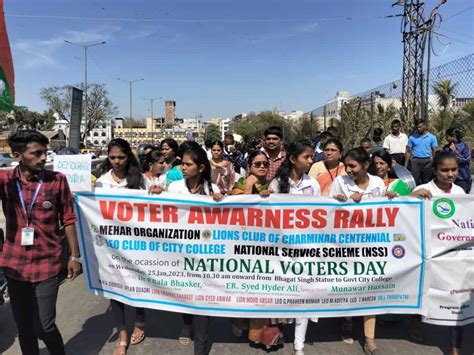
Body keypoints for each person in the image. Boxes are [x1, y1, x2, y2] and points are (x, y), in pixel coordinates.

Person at [0, 129, 81, 355]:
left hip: (48, 265)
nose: (44, 158)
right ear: (17, 156)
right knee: (24, 328)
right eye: (36, 153)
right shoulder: (5, 181)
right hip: (14, 266)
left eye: (45, 152)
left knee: (43, 326)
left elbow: (68, 218)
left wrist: (74, 256)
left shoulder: (56, 181)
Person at [151, 142, 221, 355]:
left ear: (200, 168)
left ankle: (200, 347)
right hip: (180, 252)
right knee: (185, 293)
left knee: (202, 301)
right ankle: (187, 323)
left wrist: (220, 201)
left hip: (204, 253)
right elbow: (160, 210)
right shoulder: (174, 188)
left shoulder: (212, 189)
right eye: (182, 163)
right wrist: (154, 193)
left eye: (188, 164)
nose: (183, 168)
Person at [330, 147, 386, 354]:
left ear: (366, 165)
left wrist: (391, 197)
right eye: (346, 166)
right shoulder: (340, 182)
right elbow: (328, 208)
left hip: (372, 245)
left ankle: (369, 338)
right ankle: (346, 320)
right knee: (348, 286)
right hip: (345, 244)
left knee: (370, 287)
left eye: (353, 166)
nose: (349, 170)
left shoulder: (378, 183)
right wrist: (340, 202)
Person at [268, 140, 320, 355]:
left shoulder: (313, 184)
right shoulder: (276, 184)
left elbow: (321, 212)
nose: (311, 160)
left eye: (311, 157)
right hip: (280, 250)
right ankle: (275, 329)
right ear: (292, 159)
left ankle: (299, 344)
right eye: (306, 157)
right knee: (281, 293)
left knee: (304, 295)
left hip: (306, 249)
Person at [412, 150, 465, 355]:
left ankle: (454, 348)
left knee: (458, 299)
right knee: (423, 293)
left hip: (453, 255)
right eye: (445, 170)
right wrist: (412, 197)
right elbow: (403, 214)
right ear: (435, 170)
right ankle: (416, 322)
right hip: (427, 254)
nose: (450, 174)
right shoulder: (422, 189)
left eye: (454, 170)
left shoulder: (461, 193)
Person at [95, 138, 146, 355]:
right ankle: (123, 336)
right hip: (110, 247)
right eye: (112, 157)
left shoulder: (139, 180)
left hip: (136, 245)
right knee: (115, 290)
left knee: (139, 285)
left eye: (121, 157)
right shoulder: (100, 182)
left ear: (128, 157)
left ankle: (141, 322)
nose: (116, 161)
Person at [405, 119, 438, 185]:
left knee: (426, 181)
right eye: (417, 127)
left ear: (425, 126)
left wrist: (434, 163)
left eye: (420, 127)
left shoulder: (432, 137)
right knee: (415, 181)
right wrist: (405, 165)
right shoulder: (412, 137)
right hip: (415, 161)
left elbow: (434, 151)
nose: (418, 128)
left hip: (427, 161)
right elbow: (408, 151)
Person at [442, 127, 471, 193]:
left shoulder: (465, 145)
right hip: (448, 177)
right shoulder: (446, 147)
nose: (446, 138)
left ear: (453, 136)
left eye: (447, 136)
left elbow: (466, 159)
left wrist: (455, 151)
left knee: (462, 199)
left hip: (462, 178)